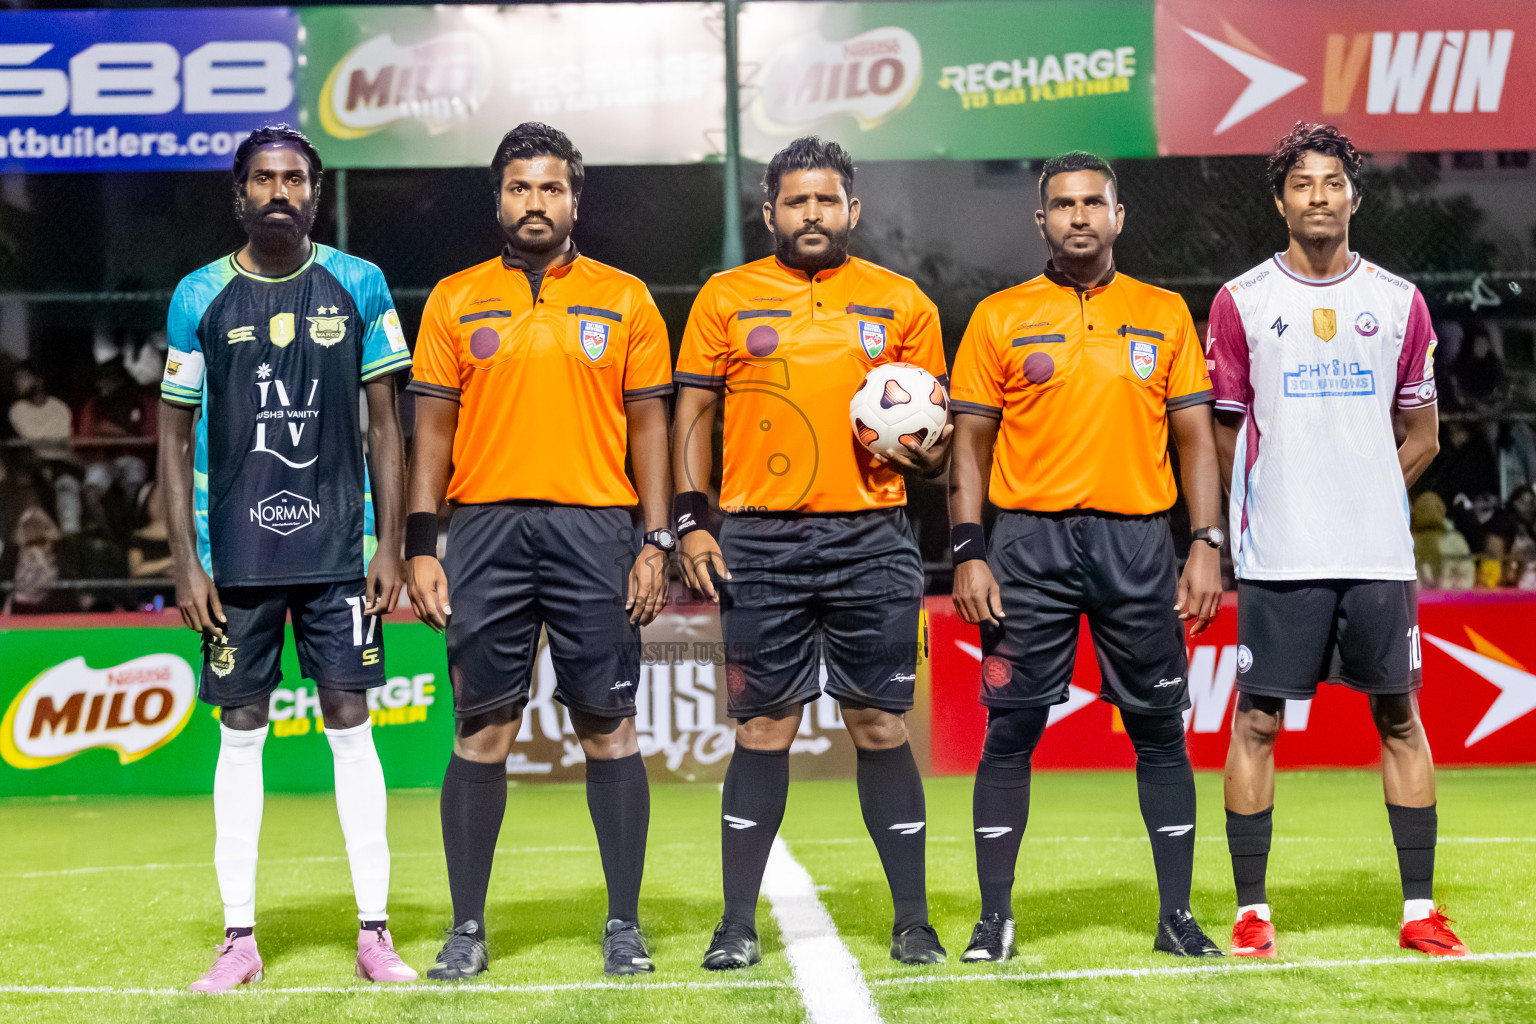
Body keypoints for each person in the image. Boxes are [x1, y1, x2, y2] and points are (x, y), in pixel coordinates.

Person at [674, 136, 950, 970]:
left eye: (827, 201)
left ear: (852, 211)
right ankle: (735, 924)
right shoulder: (726, 298)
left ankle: (913, 920)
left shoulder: (902, 303)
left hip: (874, 538)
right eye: (796, 202)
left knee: (877, 721)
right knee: (764, 727)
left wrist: (921, 453)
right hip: (758, 542)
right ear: (770, 214)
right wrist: (691, 522)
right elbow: (692, 415)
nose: (813, 214)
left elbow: (937, 441)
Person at [405, 122, 673, 980]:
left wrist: (656, 541)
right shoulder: (454, 298)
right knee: (483, 730)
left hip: (597, 529)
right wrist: (422, 543)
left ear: (574, 199)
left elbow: (651, 429)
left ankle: (624, 925)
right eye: (520, 187)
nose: (535, 201)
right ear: (498, 199)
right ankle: (467, 929)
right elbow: (431, 432)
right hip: (482, 529)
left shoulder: (625, 297)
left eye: (550, 187)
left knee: (609, 727)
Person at [948, 151, 1225, 963]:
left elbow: (1195, 443)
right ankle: (994, 918)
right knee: (1010, 729)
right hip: (1026, 545)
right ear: (1041, 220)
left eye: (1092, 203)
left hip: (1138, 541)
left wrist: (1205, 544)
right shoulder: (998, 315)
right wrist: (968, 551)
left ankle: (1176, 918)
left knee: (1159, 729)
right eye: (1062, 205)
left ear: (1118, 215)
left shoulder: (1166, 312)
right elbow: (968, 446)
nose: (1078, 216)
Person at [158, 124, 417, 991]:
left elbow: (387, 422)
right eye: (264, 179)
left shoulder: (359, 283)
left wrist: (395, 541)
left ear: (315, 191)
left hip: (343, 554)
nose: (280, 191)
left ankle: (374, 932)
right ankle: (239, 939)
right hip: (235, 561)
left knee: (352, 729)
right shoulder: (198, 294)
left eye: (295, 179)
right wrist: (186, 564)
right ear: (241, 194)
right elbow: (170, 435)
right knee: (240, 735)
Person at [1207, 122, 1467, 959]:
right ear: (1280, 200)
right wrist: (1237, 521)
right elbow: (1222, 436)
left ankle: (1419, 911)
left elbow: (1423, 433)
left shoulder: (1398, 302)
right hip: (1281, 553)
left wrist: (1363, 491)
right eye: (1301, 184)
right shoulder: (1242, 301)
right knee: (1256, 721)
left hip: (1376, 555)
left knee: (1400, 719)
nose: (1317, 196)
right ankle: (1252, 915)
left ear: (1355, 196)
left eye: (1332, 183)